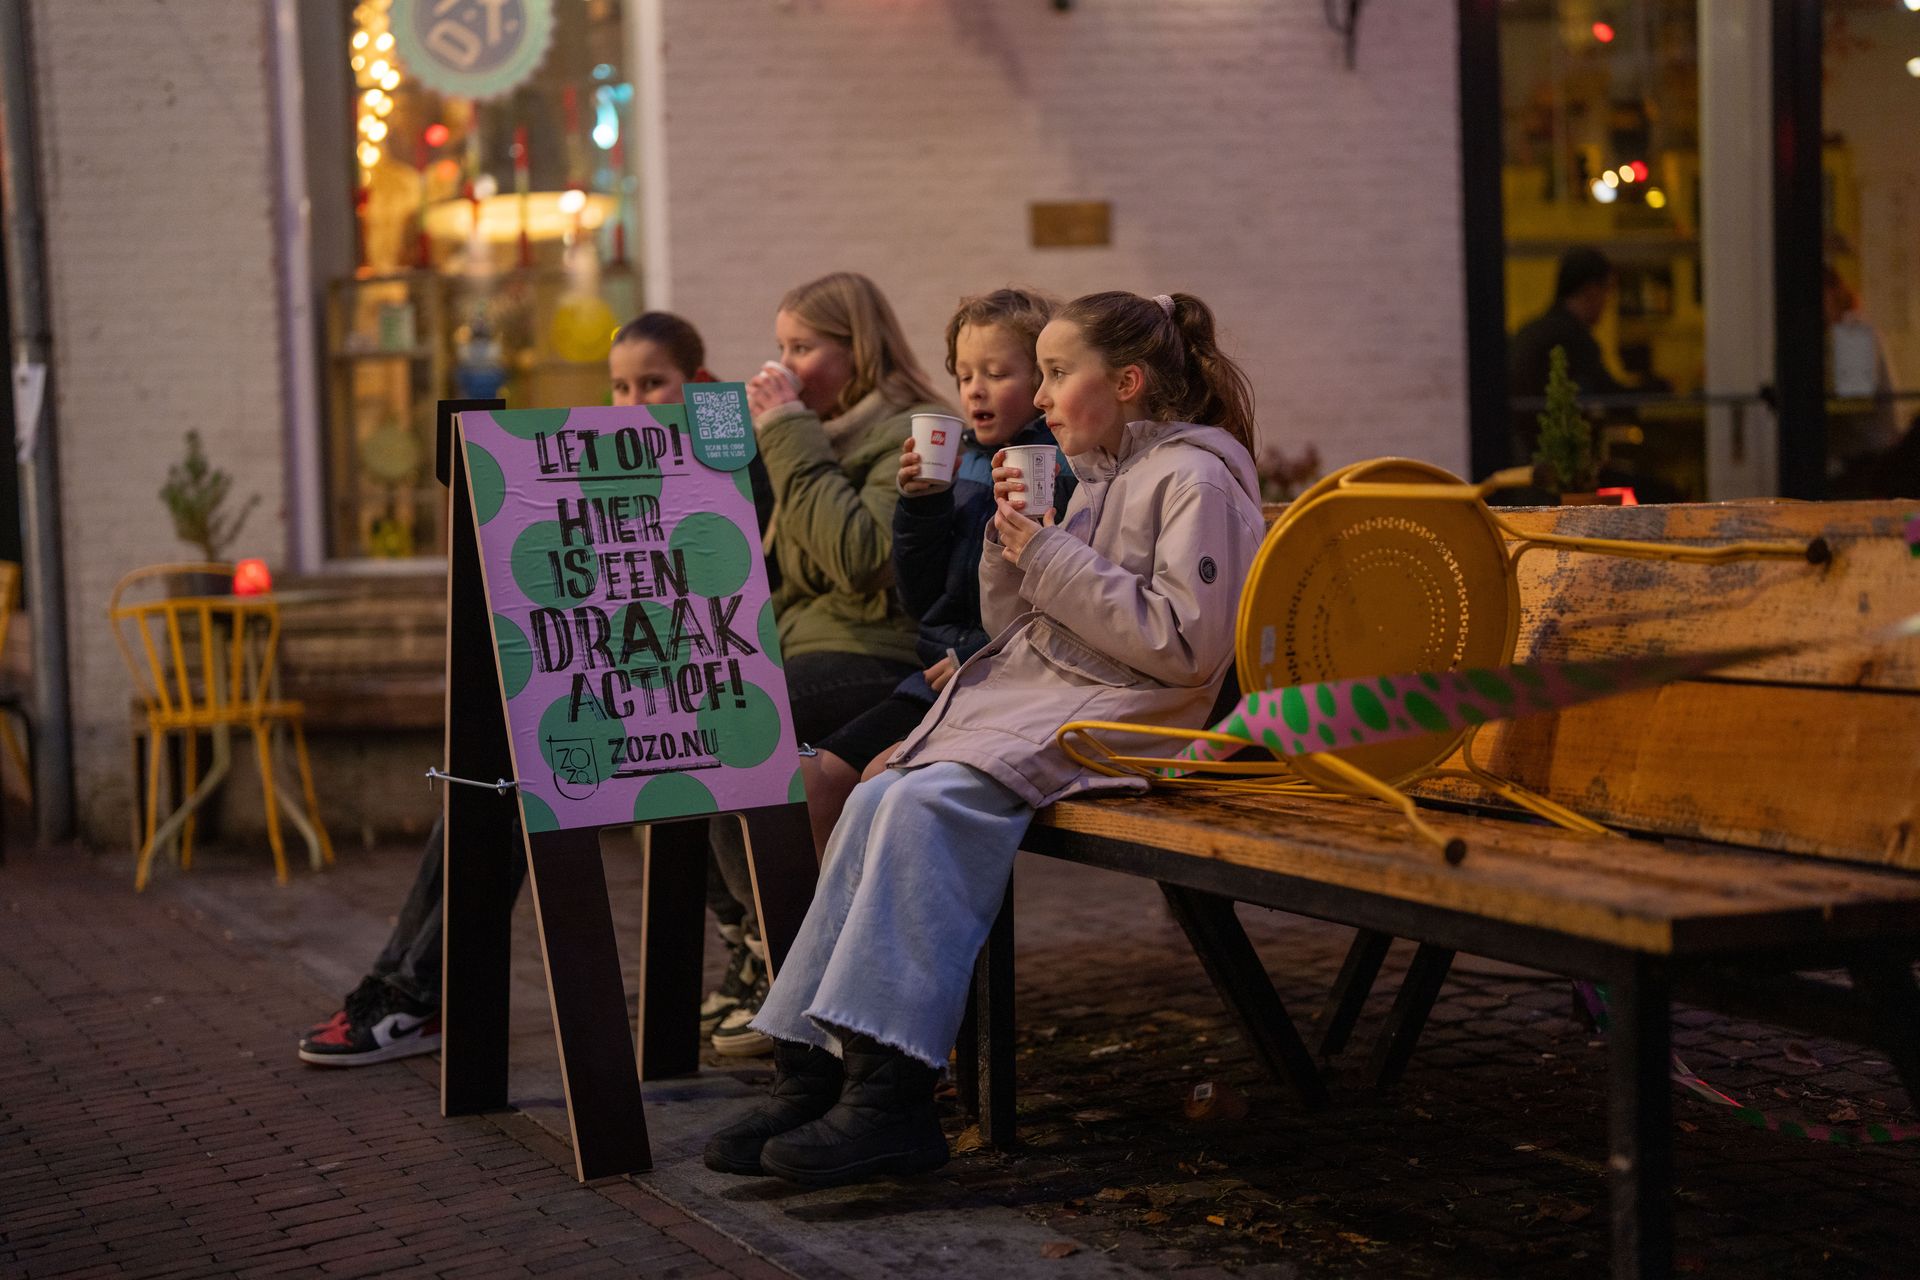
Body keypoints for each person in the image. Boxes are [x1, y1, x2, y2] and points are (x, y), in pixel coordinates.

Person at [702, 290, 1267, 1187]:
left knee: (927, 803)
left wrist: (1045, 554)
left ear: (1125, 382)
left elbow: (1186, 648)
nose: (1039, 398)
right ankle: (817, 1071)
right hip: (1058, 700)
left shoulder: (1193, 479)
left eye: (1056, 373)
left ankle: (893, 1098)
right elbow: (1026, 627)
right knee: (878, 791)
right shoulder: (1106, 473)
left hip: (1132, 720)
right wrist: (1011, 553)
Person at [298, 312, 769, 1066]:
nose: (634, 402)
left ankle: (418, 993)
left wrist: (722, 421)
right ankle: (404, 986)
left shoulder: (722, 453)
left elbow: (735, 569)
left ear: (698, 383)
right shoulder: (600, 465)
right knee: (491, 778)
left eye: (654, 383)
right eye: (620, 387)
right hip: (621, 684)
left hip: (692, 696)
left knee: (523, 777)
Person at [704, 271, 954, 1057]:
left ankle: (777, 958)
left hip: (877, 653)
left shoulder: (913, 430)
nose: (787, 365)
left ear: (860, 348)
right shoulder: (818, 430)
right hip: (806, 643)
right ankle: (755, 944)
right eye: (781, 348)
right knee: (680, 720)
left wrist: (786, 429)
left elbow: (858, 558)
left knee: (736, 721)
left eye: (804, 347)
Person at [795, 287, 1075, 853]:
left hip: (1002, 689)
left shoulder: (1061, 470)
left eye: (997, 373)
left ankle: (885, 913)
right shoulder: (964, 461)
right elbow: (921, 598)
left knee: (877, 785)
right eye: (964, 375)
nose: (975, 389)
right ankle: (823, 913)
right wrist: (922, 506)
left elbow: (1062, 607)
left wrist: (975, 652)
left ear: (1043, 379)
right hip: (936, 679)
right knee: (812, 779)